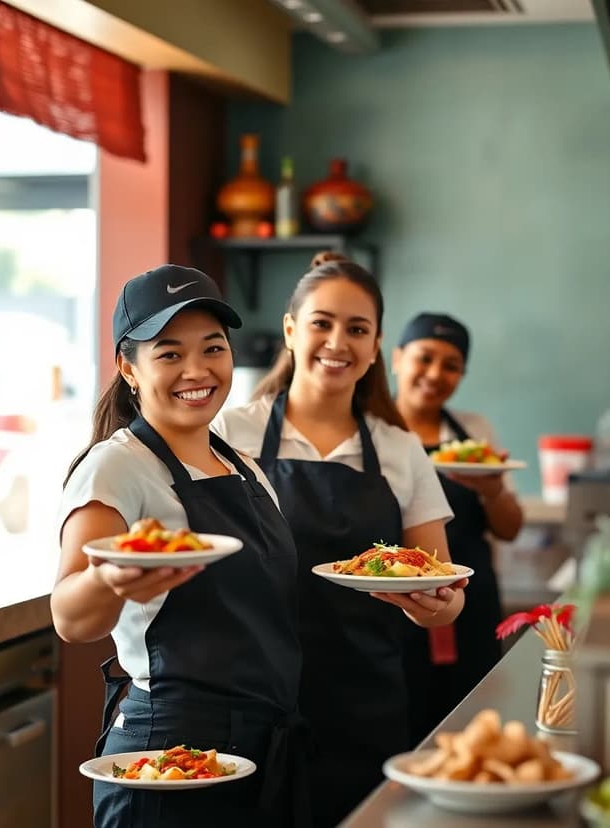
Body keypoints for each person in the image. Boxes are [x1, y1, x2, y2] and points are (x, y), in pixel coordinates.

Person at [51, 264, 308, 828]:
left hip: (260, 749)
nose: (197, 370)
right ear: (128, 368)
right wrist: (110, 577)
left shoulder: (243, 467)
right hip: (169, 754)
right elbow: (70, 617)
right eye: (169, 354)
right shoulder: (116, 465)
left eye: (213, 348)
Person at [212, 256, 466, 827]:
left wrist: (432, 604)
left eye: (357, 329)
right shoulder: (230, 434)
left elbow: (447, 592)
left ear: (375, 346)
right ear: (290, 330)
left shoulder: (400, 449)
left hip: (365, 705)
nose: (337, 342)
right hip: (251, 700)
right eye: (321, 323)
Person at [392, 312, 524, 743]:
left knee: (470, 725)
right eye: (424, 358)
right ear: (397, 359)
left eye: (451, 365)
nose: (435, 374)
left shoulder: (473, 433)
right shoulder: (370, 432)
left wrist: (493, 491)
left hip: (471, 604)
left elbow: (510, 529)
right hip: (392, 606)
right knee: (399, 723)